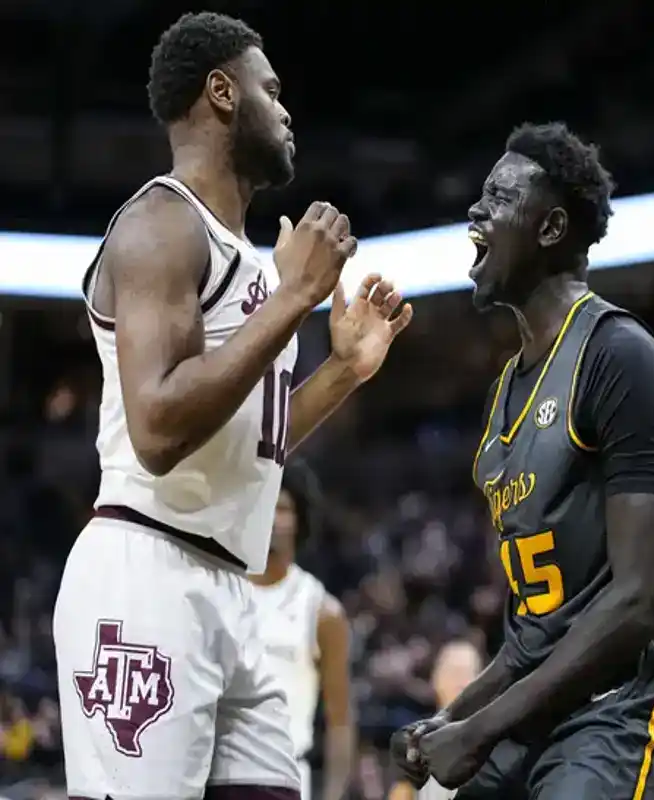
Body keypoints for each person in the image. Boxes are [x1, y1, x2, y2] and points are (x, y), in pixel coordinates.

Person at [54, 12, 412, 799]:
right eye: (271, 89)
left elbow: (255, 437)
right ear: (222, 91)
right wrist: (291, 300)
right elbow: (156, 429)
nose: (286, 110)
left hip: (229, 585)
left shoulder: (249, 261)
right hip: (145, 573)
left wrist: (344, 371)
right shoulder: (160, 224)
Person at [391, 122, 654, 799]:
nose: (476, 213)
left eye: (498, 198)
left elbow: (637, 605)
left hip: (625, 704)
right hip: (543, 707)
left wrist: (477, 733)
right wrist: (449, 718)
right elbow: (531, 638)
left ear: (550, 227)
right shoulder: (506, 392)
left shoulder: (620, 357)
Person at [250, 466, 354, 800]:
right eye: (264, 506)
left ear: (300, 520)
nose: (272, 519)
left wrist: (334, 796)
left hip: (286, 777)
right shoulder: (222, 592)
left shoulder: (322, 610)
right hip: (220, 773)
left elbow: (340, 721)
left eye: (281, 509)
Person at [388, 640, 484, 800]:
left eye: (468, 673)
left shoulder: (496, 740)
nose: (461, 681)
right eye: (454, 672)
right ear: (436, 679)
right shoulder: (413, 739)